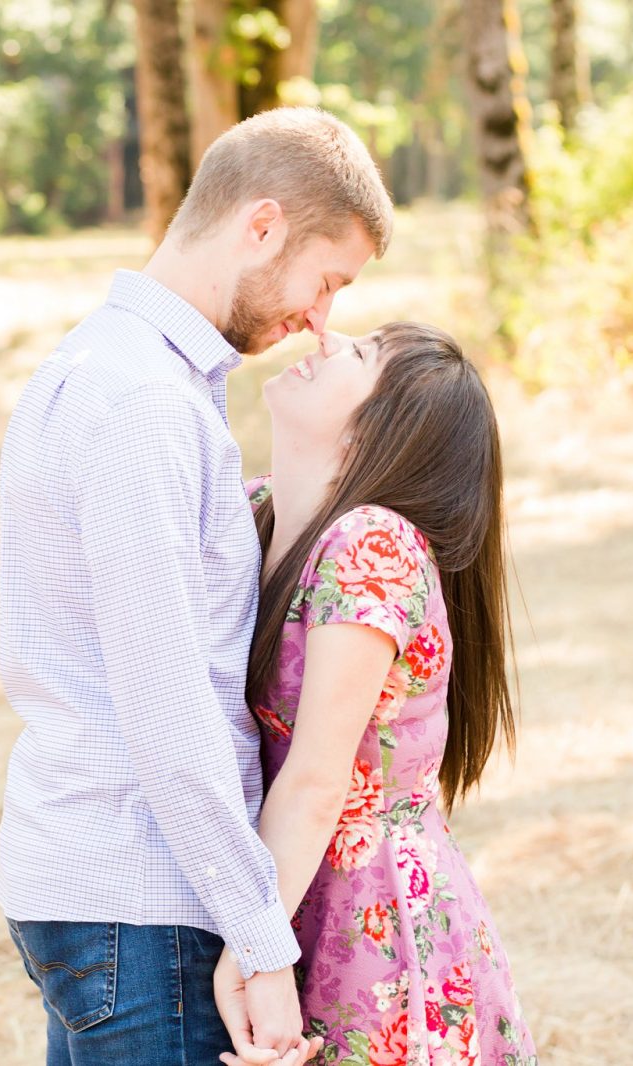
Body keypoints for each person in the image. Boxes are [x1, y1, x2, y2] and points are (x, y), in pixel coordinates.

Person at [0, 107, 392, 1065]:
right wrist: (260, 938)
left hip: (102, 893)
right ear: (261, 226)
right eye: (325, 279)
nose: (318, 319)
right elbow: (169, 711)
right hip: (146, 904)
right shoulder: (143, 406)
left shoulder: (113, 371)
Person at [227, 324, 538, 1066]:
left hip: (370, 914)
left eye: (360, 354)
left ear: (381, 430)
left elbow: (314, 780)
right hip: (293, 882)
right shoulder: (258, 511)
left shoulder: (372, 544)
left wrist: (251, 951)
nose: (324, 339)